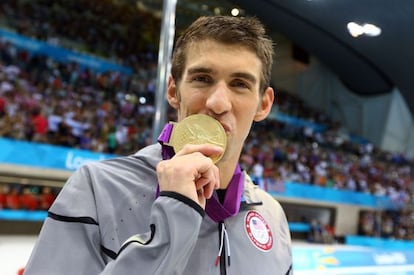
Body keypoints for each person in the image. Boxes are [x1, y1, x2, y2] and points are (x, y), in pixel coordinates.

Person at [24, 15, 292, 274]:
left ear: (264, 104)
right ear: (174, 91)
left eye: (240, 84)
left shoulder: (272, 216)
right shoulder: (98, 190)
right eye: (202, 79)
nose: (218, 103)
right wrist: (173, 217)